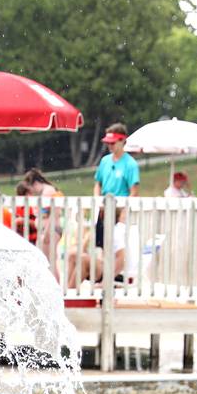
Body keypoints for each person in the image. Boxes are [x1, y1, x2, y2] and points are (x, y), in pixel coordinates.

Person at [79, 123, 139, 286]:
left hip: (119, 209)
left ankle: (110, 277)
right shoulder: (105, 161)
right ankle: (107, 276)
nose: (110, 146)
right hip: (103, 208)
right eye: (108, 143)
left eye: (113, 143)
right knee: (104, 245)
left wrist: (125, 212)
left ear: (122, 141)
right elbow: (97, 183)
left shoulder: (130, 164)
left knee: (119, 247)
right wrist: (97, 200)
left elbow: (134, 190)